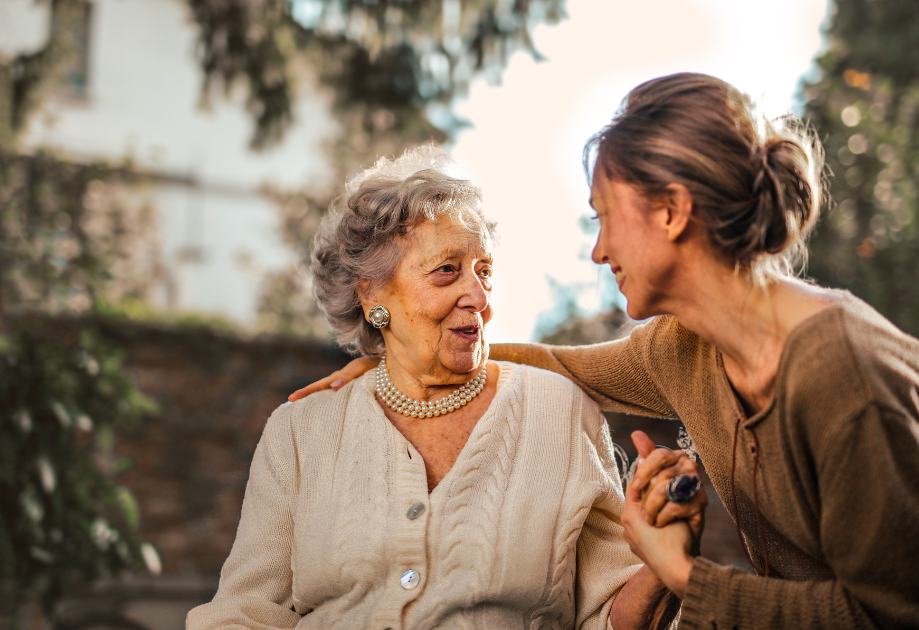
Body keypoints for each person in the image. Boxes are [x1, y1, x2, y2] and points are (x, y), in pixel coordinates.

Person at [290, 74, 919, 629]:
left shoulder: (846, 375)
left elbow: (889, 614)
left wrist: (683, 576)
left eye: (604, 217)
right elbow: (559, 365)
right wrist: (399, 356)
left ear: (671, 212)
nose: (598, 251)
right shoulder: (684, 348)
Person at [187, 146, 689, 630]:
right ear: (372, 294)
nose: (478, 296)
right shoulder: (300, 431)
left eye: (484, 271)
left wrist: (662, 566)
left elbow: (609, 618)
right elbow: (244, 613)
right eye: (447, 270)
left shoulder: (561, 412)